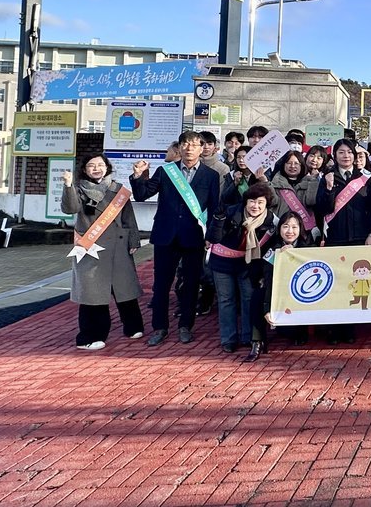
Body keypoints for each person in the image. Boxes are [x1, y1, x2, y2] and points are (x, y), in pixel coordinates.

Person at [131, 131, 221, 346]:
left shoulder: (211, 175)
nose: (189, 148)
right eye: (185, 144)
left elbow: (214, 207)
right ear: (179, 148)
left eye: (194, 144)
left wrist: (211, 235)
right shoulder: (166, 171)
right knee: (161, 284)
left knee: (191, 284)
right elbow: (142, 194)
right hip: (166, 235)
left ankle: (185, 326)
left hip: (194, 236)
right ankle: (159, 327)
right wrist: (138, 177)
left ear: (202, 149)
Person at [61, 154, 144, 350]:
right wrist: (68, 185)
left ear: (107, 167)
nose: (96, 168)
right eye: (92, 166)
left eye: (100, 165)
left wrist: (134, 240)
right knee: (93, 294)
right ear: (84, 170)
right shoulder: (79, 189)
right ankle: (89, 337)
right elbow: (70, 208)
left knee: (124, 288)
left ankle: (133, 326)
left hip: (119, 246)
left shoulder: (118, 190)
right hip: (91, 249)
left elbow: (128, 218)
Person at [316, 138, 371, 344]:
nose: (346, 156)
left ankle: (348, 328)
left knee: (354, 284)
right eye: (341, 152)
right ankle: (333, 329)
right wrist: (329, 188)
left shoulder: (365, 178)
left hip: (359, 238)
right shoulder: (328, 177)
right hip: (336, 238)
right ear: (334, 155)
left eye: (349, 152)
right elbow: (322, 209)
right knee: (336, 284)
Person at [210, 182, 278, 359]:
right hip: (222, 262)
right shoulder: (232, 213)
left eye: (260, 202)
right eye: (252, 202)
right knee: (226, 300)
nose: (255, 206)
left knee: (248, 298)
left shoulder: (271, 221)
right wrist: (218, 219)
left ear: (266, 204)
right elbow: (213, 238)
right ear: (245, 202)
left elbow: (270, 248)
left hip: (248, 265)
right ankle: (228, 339)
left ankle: (249, 337)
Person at [265, 212, 313, 346]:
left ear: (300, 229)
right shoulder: (272, 247)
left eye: (294, 227)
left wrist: (295, 254)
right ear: (279, 228)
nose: (290, 231)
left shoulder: (308, 246)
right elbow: (268, 278)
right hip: (280, 293)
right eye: (285, 226)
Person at [270, 150, 320, 243]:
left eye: (296, 163)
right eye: (289, 163)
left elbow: (311, 201)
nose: (292, 166)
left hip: (305, 231)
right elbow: (272, 202)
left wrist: (313, 181)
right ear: (283, 165)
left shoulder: (310, 182)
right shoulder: (274, 183)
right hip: (280, 230)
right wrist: (264, 182)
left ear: (302, 165)